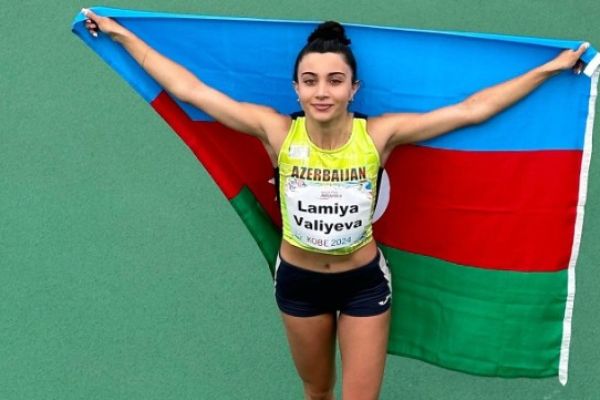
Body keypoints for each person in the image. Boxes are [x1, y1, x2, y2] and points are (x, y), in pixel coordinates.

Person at [82, 8, 587, 400]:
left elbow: (471, 111)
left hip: (363, 284)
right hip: (299, 285)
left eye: (334, 80)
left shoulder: (380, 135)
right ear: (297, 88)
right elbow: (189, 89)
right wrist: (123, 36)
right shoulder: (276, 131)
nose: (322, 91)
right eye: (310, 81)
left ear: (353, 89)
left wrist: (549, 69)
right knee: (317, 392)